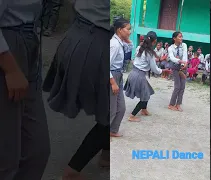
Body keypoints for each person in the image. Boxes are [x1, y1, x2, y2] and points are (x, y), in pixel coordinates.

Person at [42, 0, 110, 179]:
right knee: (111, 113)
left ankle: (106, 153)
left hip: (76, 35)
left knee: (111, 107)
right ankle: (73, 170)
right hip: (94, 44)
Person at [0, 1, 50, 179]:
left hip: (29, 38)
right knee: (6, 157)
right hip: (8, 46)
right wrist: (10, 68)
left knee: (37, 150)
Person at [124, 31, 171, 121]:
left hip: (133, 73)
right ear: (154, 41)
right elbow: (155, 69)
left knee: (148, 91)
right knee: (145, 96)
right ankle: (132, 115)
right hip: (139, 76)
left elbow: (145, 60)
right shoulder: (149, 53)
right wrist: (164, 70)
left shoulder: (140, 48)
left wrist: (160, 59)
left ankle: (144, 109)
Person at [110, 18, 131, 137]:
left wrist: (126, 37)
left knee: (121, 108)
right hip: (112, 76)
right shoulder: (114, 45)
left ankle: (113, 130)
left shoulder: (120, 42)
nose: (130, 32)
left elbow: (130, 47)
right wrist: (113, 82)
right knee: (112, 109)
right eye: (128, 29)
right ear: (119, 30)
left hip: (118, 75)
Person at [167, 31, 188, 112]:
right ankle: (171, 104)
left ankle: (178, 104)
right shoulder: (170, 48)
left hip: (183, 67)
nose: (181, 38)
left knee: (182, 87)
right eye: (179, 37)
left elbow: (185, 55)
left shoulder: (184, 45)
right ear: (174, 38)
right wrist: (180, 61)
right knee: (177, 86)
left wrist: (183, 65)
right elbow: (172, 58)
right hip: (175, 68)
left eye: (182, 36)